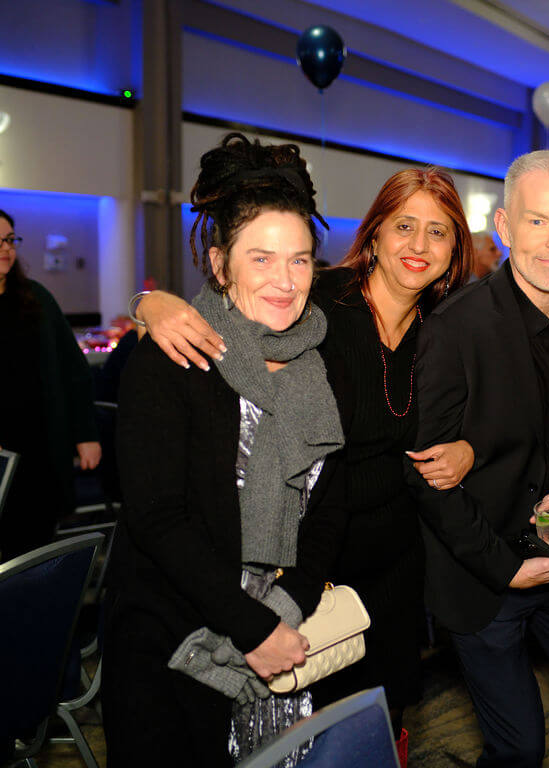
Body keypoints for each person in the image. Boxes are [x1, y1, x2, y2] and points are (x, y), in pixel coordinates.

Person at [134, 166, 476, 762]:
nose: (419, 244)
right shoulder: (319, 306)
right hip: (311, 562)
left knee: (369, 727)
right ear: (374, 233)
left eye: (438, 231)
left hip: (389, 558)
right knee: (293, 730)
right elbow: (226, 319)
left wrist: (470, 447)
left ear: (455, 249)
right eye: (404, 226)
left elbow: (486, 414)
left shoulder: (447, 327)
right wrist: (148, 304)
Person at [102, 134, 349, 766]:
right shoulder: (172, 357)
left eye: (299, 260)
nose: (285, 281)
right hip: (177, 639)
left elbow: (329, 506)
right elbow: (158, 520)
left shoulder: (320, 365)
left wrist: (285, 612)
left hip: (286, 637)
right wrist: (253, 627)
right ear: (219, 264)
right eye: (261, 259)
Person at [406, 150, 549, 767]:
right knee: (520, 748)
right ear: (504, 228)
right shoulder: (454, 327)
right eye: (538, 221)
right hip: (481, 574)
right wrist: (505, 568)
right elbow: (426, 477)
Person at [0, 206, 100, 560]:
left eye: (10, 240)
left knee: (33, 551)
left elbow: (74, 371)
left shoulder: (36, 297)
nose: (5, 248)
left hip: (40, 447)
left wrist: (86, 434)